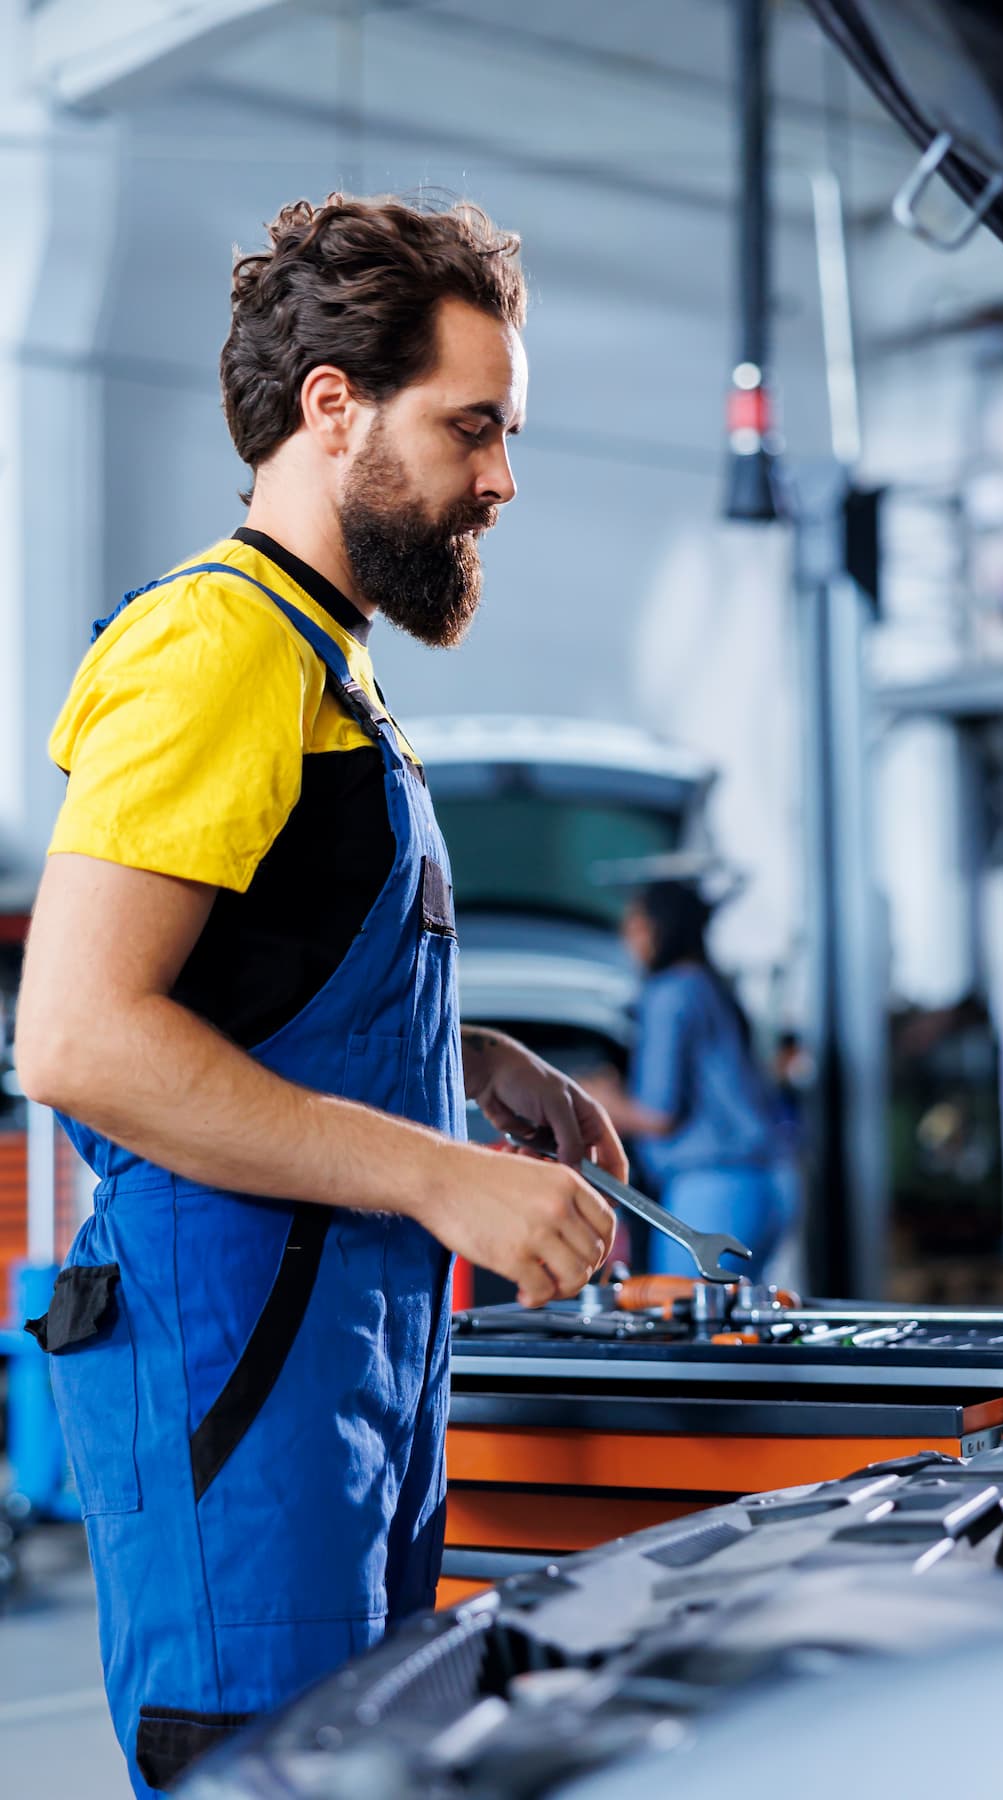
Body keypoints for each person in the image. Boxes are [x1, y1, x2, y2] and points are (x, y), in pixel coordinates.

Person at [14, 193, 623, 1798]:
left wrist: (466, 1064)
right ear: (333, 407)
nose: (500, 478)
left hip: (342, 1386)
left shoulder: (322, 668)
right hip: (244, 1392)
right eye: (472, 428)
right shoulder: (218, 651)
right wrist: (443, 1173)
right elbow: (77, 1036)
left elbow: (256, 984)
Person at [585, 881, 781, 1279]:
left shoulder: (669, 992)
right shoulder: (708, 985)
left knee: (689, 1324)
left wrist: (594, 1098)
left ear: (660, 928)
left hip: (712, 1190)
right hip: (761, 1184)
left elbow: (658, 1115)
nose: (627, 938)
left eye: (635, 925)